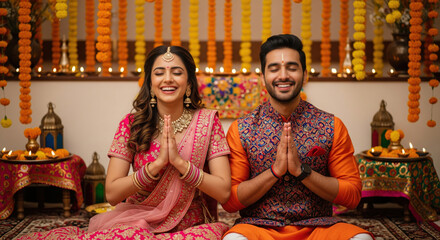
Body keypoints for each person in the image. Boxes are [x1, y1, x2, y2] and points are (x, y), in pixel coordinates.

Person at [18, 46, 232, 240]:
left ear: (188, 83)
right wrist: (155, 166)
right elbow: (111, 194)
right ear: (150, 82)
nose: (168, 79)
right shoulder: (132, 125)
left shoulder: (208, 122)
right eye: (159, 73)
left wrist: (180, 163)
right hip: (138, 223)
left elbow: (223, 192)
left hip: (190, 226)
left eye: (177, 72)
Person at [221, 34, 374, 240]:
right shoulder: (242, 129)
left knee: (362, 239)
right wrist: (274, 172)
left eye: (292, 67)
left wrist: (302, 172)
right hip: (259, 228)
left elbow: (353, 196)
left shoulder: (331, 126)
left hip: (318, 228)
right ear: (263, 77)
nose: (283, 75)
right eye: (274, 68)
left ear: (304, 74)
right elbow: (231, 202)